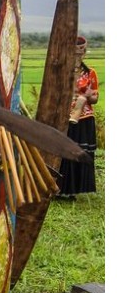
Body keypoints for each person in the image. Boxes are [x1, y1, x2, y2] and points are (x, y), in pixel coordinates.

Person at [58, 36, 99, 198]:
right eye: (74, 53)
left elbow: (95, 99)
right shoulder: (61, 71)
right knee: (62, 150)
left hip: (84, 118)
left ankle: (73, 190)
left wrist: (88, 96)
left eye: (80, 52)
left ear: (84, 53)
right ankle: (59, 188)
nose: (77, 56)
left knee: (78, 151)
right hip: (63, 116)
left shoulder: (90, 73)